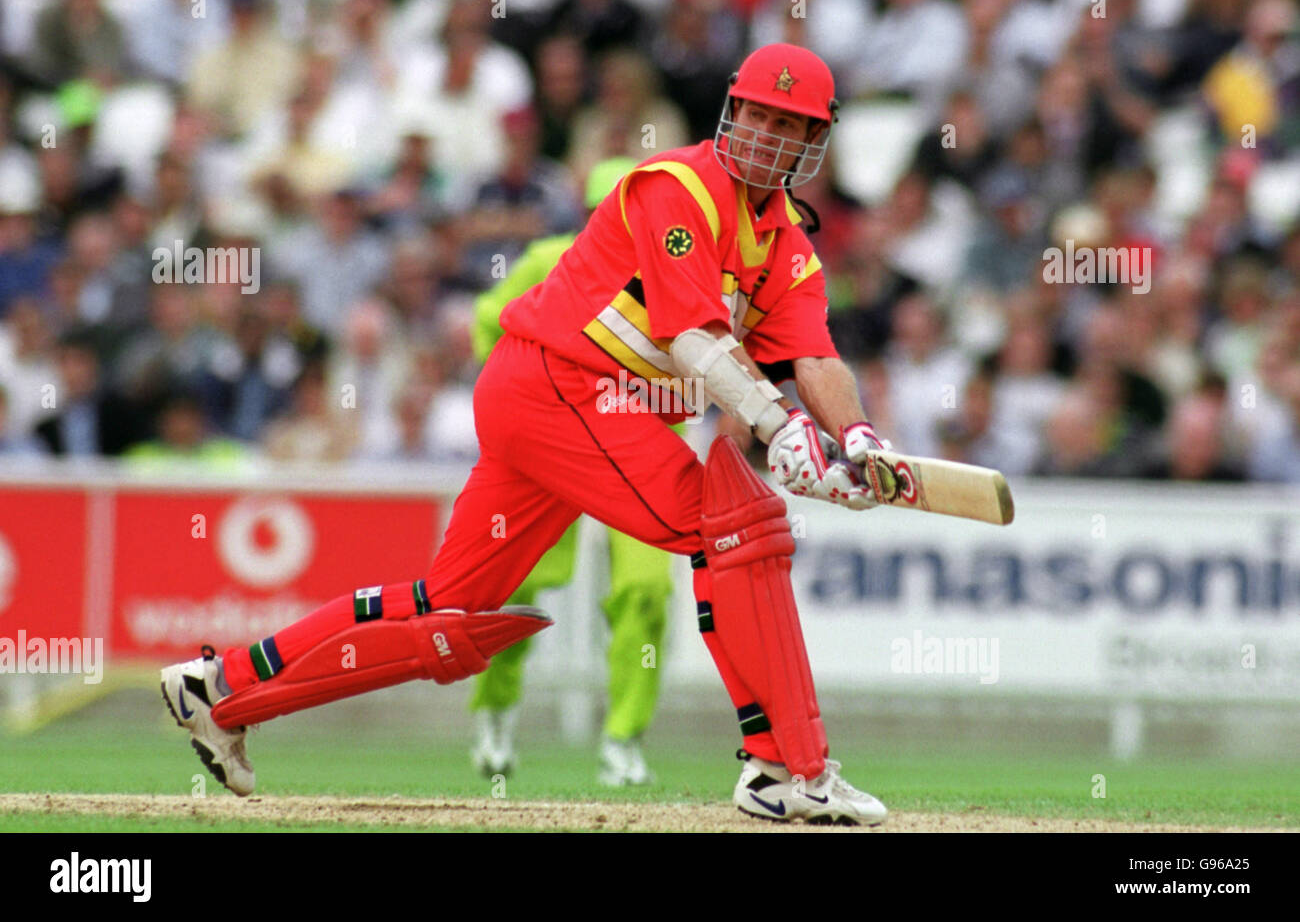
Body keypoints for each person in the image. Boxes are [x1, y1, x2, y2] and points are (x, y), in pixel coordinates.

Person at [161, 43, 892, 825]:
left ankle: (221, 690)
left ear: (816, 143)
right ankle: (785, 767)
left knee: (449, 615)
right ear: (731, 110)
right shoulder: (674, 185)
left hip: (564, 404)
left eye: (793, 123)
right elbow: (693, 336)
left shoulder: (787, 243)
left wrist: (857, 439)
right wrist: (779, 428)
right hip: (563, 387)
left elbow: (813, 356)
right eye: (760, 113)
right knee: (734, 528)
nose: (770, 134)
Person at [467, 156, 671, 787]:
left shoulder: (676, 273)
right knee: (518, 585)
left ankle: (623, 738)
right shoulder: (545, 261)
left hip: (643, 451)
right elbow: (488, 321)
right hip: (552, 442)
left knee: (646, 592)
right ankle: (496, 712)